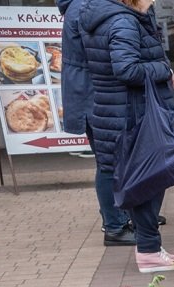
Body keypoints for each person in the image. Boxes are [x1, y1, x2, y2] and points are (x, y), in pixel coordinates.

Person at [80, 0, 174, 272]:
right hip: (133, 113)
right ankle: (149, 251)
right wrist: (163, 70)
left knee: (145, 179)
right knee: (149, 180)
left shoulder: (114, 18)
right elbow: (126, 69)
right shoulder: (123, 22)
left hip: (122, 111)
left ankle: (149, 247)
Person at [54, 0, 135, 246]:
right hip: (94, 94)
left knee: (114, 159)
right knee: (109, 161)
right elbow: (102, 54)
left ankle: (121, 216)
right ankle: (114, 226)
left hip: (91, 92)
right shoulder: (85, 8)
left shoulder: (81, 6)